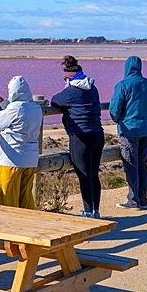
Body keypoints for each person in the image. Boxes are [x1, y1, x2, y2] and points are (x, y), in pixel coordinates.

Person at [50, 55, 104, 218]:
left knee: (84, 174)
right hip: (97, 134)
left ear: (68, 78)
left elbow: (55, 101)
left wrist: (66, 89)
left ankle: (88, 212)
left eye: (64, 79)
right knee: (94, 174)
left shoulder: (71, 91)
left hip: (80, 136)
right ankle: (95, 210)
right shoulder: (93, 88)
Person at [108, 55, 147, 209]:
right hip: (146, 130)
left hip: (129, 129)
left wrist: (117, 119)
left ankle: (134, 200)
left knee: (131, 165)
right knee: (142, 164)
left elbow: (114, 109)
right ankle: (142, 199)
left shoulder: (123, 85)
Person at [0, 75, 44, 208]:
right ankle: (29, 225)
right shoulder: (36, 108)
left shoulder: (15, 109)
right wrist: (4, 104)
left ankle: (8, 227)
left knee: (8, 199)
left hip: (12, 159)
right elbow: (17, 112)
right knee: (25, 198)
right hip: (30, 159)